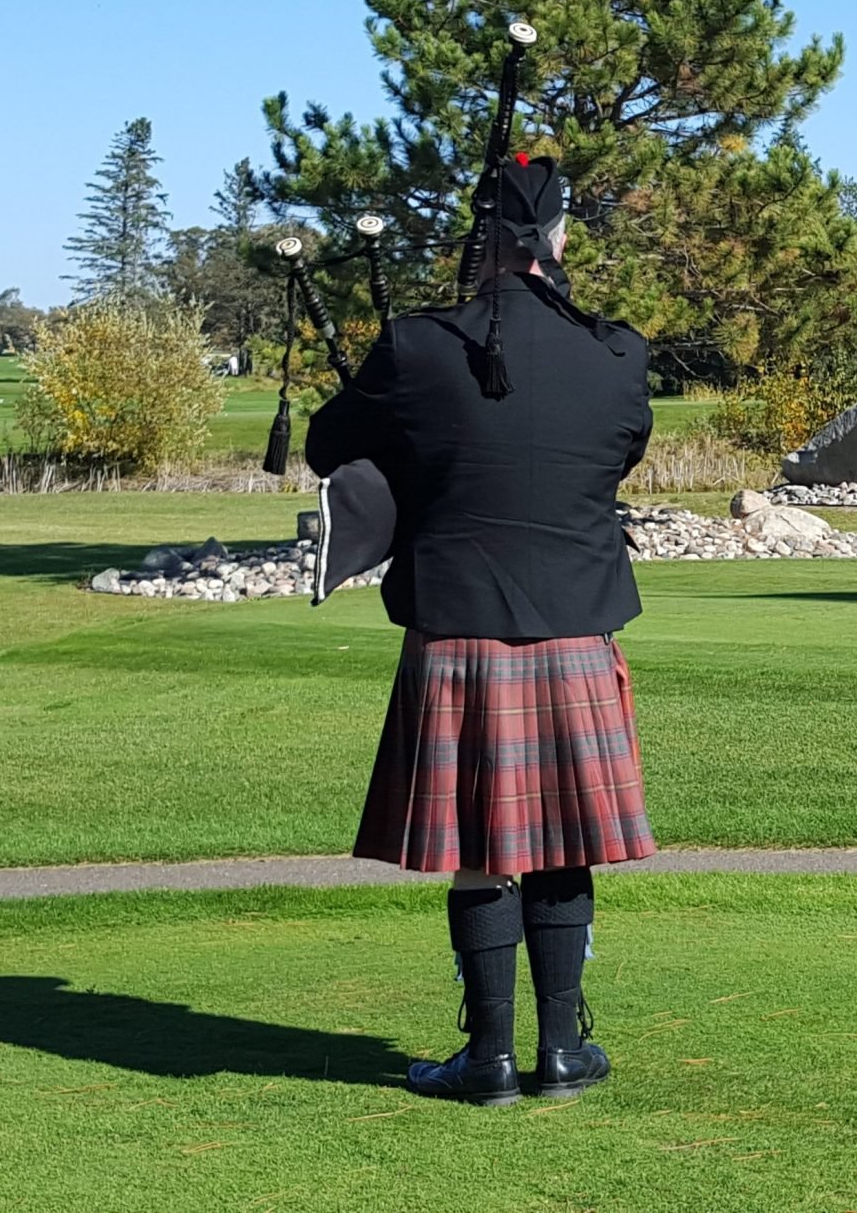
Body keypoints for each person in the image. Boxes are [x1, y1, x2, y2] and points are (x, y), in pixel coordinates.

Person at [306, 154, 655, 1107]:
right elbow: (618, 453)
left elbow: (325, 448)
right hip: (579, 630)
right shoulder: (620, 352)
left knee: (479, 847)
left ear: (479, 237)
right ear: (563, 236)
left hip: (457, 628)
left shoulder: (416, 348)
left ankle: (491, 1060)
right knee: (563, 841)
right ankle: (561, 1056)